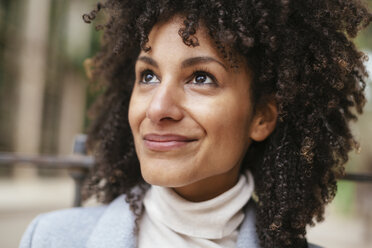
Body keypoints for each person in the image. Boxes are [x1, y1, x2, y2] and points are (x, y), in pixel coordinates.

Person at [20, 0, 372, 248]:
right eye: (148, 76)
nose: (158, 108)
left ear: (262, 116)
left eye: (201, 78)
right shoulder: (51, 239)